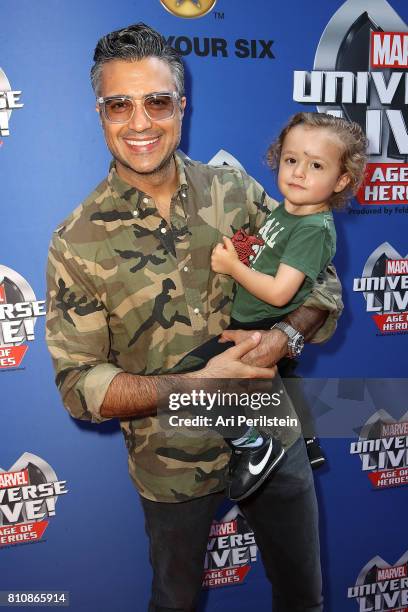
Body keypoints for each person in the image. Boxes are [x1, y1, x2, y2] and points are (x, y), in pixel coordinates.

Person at [46, 23, 344, 612]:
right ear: (99, 112)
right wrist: (195, 386)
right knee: (175, 602)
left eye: (157, 101)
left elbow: (321, 284)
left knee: (304, 598)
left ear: (182, 106)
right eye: (119, 105)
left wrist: (284, 336)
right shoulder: (77, 241)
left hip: (272, 435)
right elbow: (80, 387)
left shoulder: (234, 192)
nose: (139, 123)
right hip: (171, 461)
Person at [185, 112, 367, 501]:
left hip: (261, 325)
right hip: (249, 320)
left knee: (195, 385)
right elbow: (271, 256)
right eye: (291, 160)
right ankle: (307, 441)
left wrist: (232, 267)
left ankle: (253, 444)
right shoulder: (288, 210)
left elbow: (282, 293)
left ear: (341, 180)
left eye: (316, 165)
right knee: (279, 382)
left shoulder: (313, 228)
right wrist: (246, 251)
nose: (299, 172)